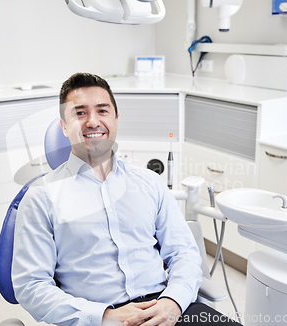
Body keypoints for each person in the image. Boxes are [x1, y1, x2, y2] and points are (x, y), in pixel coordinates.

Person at [12, 72, 241, 326]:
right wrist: (105, 317)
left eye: (102, 110)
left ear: (116, 119)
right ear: (64, 126)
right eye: (79, 113)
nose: (92, 121)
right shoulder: (41, 198)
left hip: (165, 307)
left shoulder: (149, 183)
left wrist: (173, 302)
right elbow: (31, 286)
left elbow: (184, 253)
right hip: (97, 317)